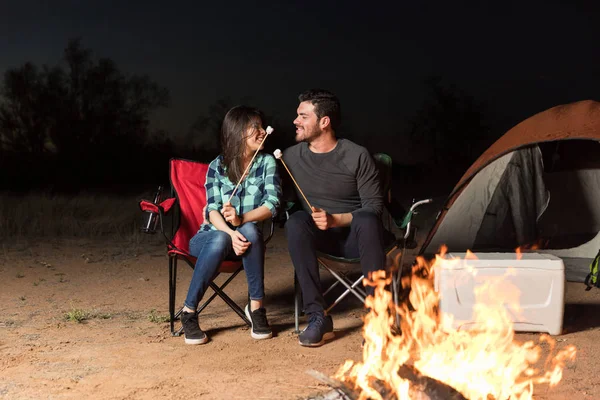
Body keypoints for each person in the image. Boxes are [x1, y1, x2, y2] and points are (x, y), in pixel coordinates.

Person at [283, 89, 392, 347]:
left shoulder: (357, 155)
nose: (295, 120)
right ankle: (318, 317)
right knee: (296, 221)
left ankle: (378, 319)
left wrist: (336, 220)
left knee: (366, 220)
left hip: (358, 239)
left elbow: (374, 208)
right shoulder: (289, 157)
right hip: (320, 241)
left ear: (324, 122)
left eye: (302, 116)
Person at [181, 106, 281, 345]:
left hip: (247, 239)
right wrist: (229, 231)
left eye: (261, 126)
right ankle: (189, 312)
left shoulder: (267, 162)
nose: (261, 132)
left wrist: (240, 221)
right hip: (209, 239)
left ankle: (256, 308)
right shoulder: (217, 165)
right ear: (237, 132)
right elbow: (212, 210)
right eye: (254, 128)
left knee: (248, 230)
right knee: (221, 238)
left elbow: (272, 203)